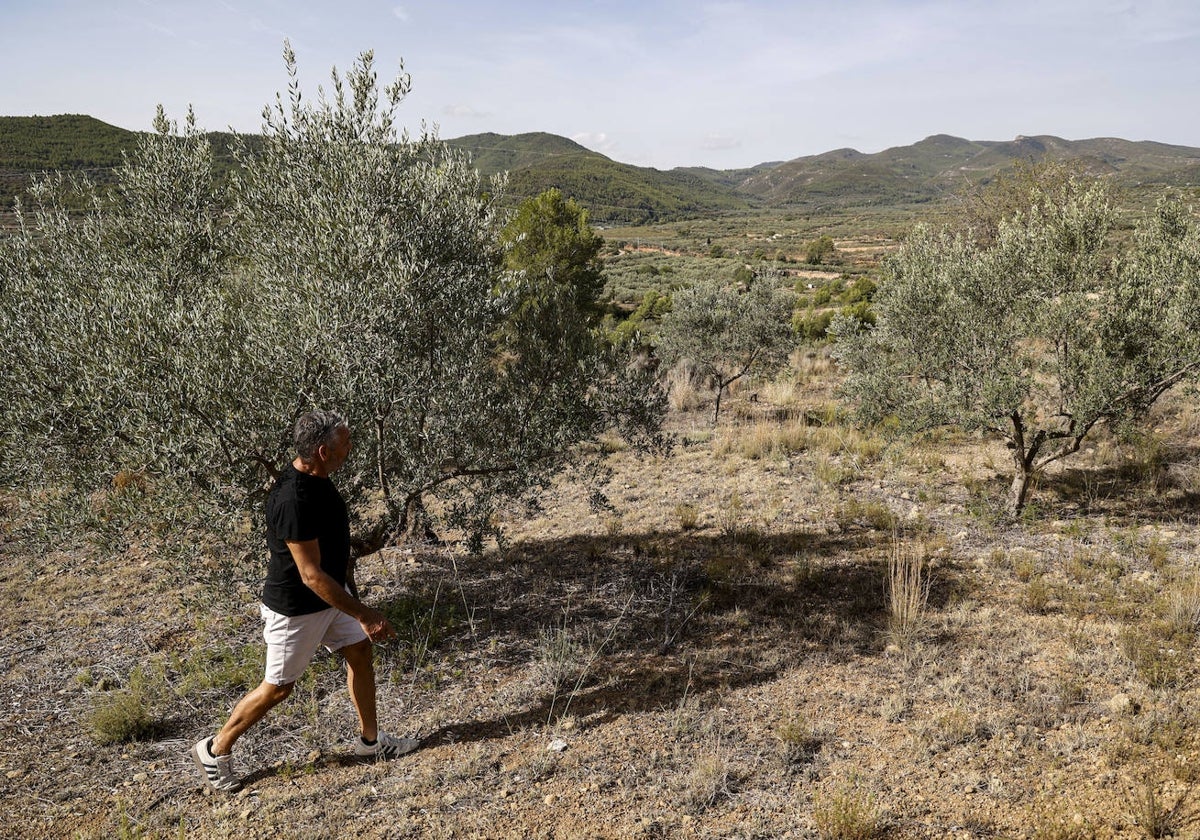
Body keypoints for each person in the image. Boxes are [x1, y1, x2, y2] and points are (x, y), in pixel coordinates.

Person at [191, 410, 418, 793]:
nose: (350, 447)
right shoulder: (292, 499)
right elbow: (310, 576)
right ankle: (215, 748)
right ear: (322, 450)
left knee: (359, 652)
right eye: (345, 442)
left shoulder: (319, 478)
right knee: (278, 688)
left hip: (328, 599)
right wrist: (366, 613)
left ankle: (370, 742)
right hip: (297, 608)